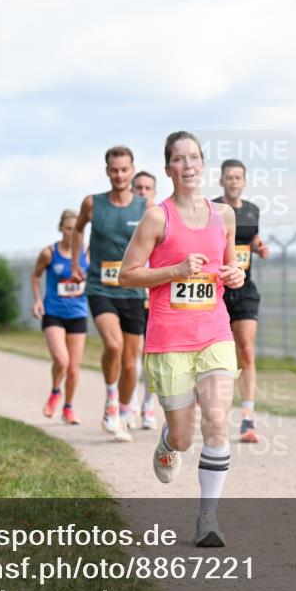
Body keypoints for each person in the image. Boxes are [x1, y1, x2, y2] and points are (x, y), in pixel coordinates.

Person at [119, 131, 245, 548]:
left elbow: (231, 266)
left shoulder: (223, 215)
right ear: (168, 167)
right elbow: (128, 274)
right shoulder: (158, 218)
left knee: (216, 421)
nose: (188, 165)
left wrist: (236, 274)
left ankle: (208, 519)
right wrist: (174, 271)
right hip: (170, 338)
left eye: (194, 157)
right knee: (186, 435)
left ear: (203, 164)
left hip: (214, 332)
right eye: (179, 159)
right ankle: (169, 442)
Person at [72, 145, 148, 442]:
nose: (119, 175)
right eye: (114, 170)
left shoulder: (144, 206)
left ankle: (124, 411)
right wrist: (78, 262)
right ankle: (110, 402)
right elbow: (78, 230)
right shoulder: (92, 203)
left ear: (132, 170)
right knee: (113, 346)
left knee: (131, 361)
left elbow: (156, 242)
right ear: (107, 171)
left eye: (124, 169)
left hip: (133, 289)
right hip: (100, 287)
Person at [213, 159, 270, 442]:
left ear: (244, 181)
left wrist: (259, 248)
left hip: (245, 288)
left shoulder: (252, 210)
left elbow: (252, 238)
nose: (234, 182)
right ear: (221, 181)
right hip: (216, 289)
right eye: (229, 177)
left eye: (238, 177)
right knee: (215, 353)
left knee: (246, 351)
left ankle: (248, 419)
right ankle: (209, 404)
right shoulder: (212, 209)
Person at [31, 210, 89, 425]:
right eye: (67, 229)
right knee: (62, 361)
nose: (71, 233)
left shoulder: (88, 253)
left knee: (74, 367)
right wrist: (38, 300)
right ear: (60, 229)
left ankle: (68, 408)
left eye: (76, 229)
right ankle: (55, 392)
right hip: (54, 313)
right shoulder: (49, 253)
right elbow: (35, 276)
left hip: (78, 314)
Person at [131, 170, 160, 431]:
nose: (142, 192)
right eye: (138, 188)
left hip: (156, 297)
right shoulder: (124, 221)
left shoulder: (162, 219)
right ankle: (128, 404)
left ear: (154, 192)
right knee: (132, 353)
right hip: (130, 295)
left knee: (150, 356)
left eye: (147, 188)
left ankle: (148, 405)